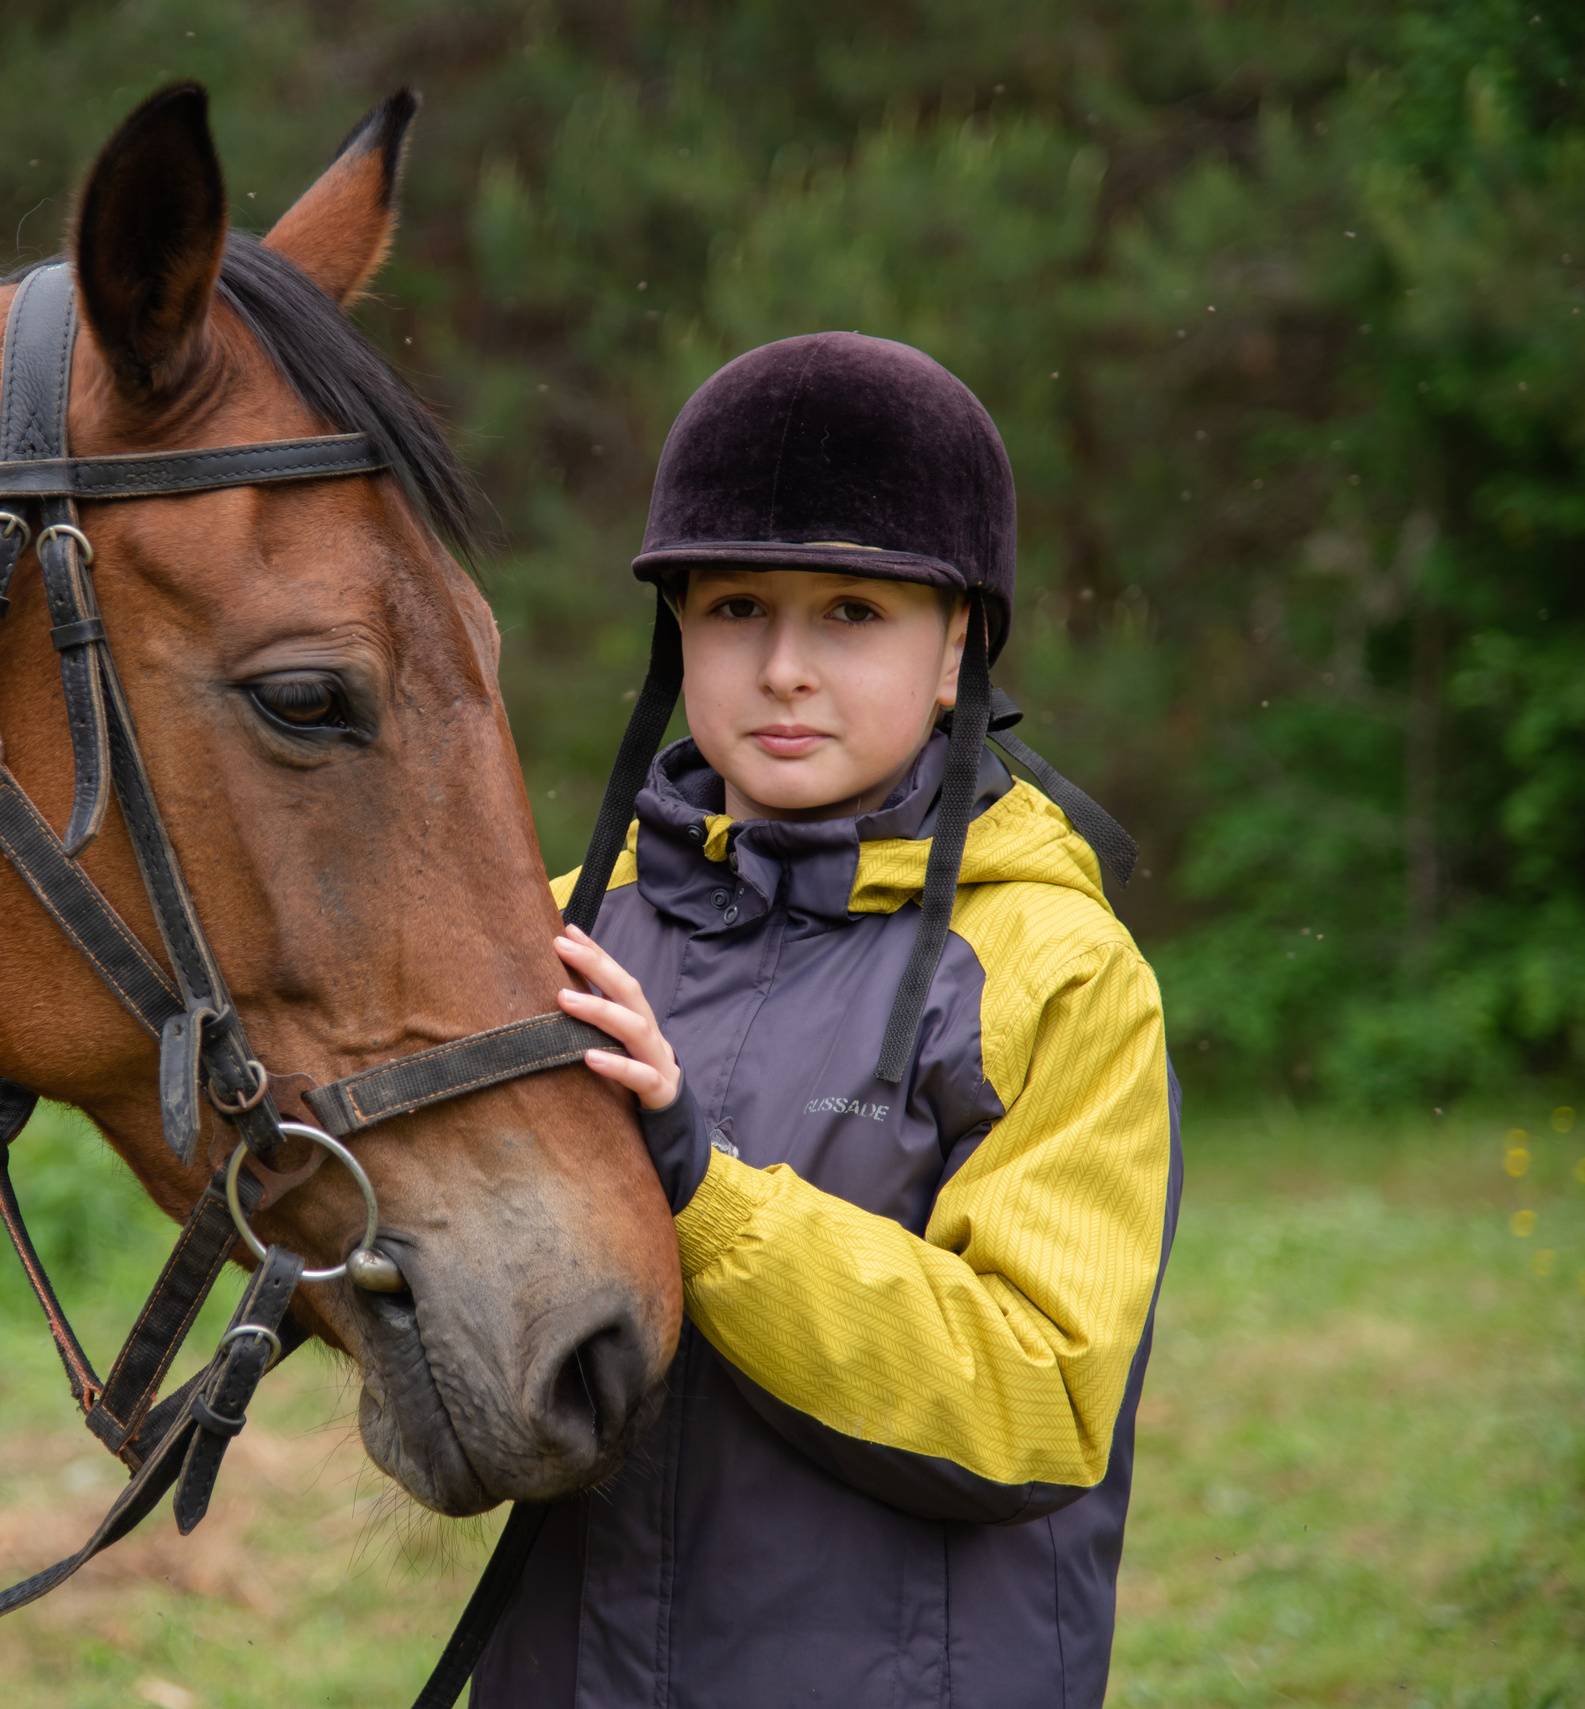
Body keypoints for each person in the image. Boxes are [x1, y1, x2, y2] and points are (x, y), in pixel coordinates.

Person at [473, 334, 1181, 1708]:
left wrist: (702, 1187)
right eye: (736, 606)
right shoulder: (561, 931)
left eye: (852, 612)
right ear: (676, 629)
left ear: (956, 641)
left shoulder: (1062, 972)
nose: (784, 665)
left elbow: (1033, 1402)